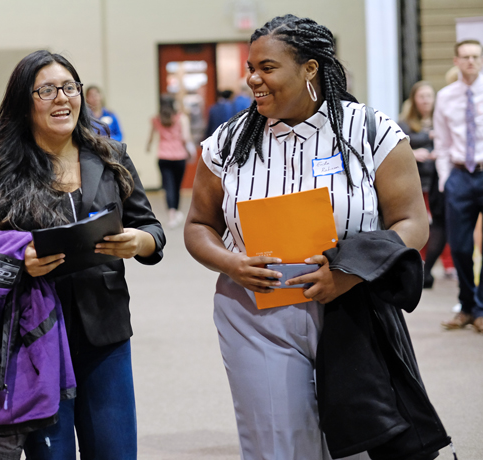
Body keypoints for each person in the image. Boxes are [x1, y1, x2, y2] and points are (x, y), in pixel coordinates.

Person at [184, 15, 430, 459]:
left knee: (358, 439)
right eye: (250, 67)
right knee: (280, 444)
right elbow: (199, 225)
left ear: (310, 68)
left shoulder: (369, 132)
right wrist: (231, 264)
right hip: (256, 311)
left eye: (268, 67)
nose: (253, 79)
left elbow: (413, 222)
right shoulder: (228, 141)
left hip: (353, 306)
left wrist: (352, 274)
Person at [0, 50, 165, 459]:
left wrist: (139, 242)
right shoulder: (1, 166)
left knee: (117, 451)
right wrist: (19, 262)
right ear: (25, 101)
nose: (62, 98)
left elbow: (152, 229)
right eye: (47, 90)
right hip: (36, 340)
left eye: (70, 88)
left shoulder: (110, 155)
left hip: (105, 331)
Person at [434, 39, 483, 332]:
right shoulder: (445, 96)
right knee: (462, 247)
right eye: (465, 57)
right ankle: (468, 306)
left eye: (476, 56)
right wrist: (444, 179)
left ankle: (476, 308)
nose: (471, 62)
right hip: (458, 176)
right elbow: (441, 140)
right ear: (456, 61)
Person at [399, 81, 453, 288]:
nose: (426, 101)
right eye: (421, 97)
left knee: (441, 224)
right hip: (416, 182)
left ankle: (446, 265)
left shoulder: (442, 120)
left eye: (429, 96)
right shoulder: (404, 124)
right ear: (414, 100)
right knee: (420, 224)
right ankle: (417, 264)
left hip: (438, 181)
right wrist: (413, 153)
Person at [146, 94, 193, 229]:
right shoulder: (181, 118)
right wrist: (190, 151)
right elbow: (185, 137)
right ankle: (176, 211)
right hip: (179, 156)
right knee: (177, 186)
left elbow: (151, 137)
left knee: (168, 186)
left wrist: (148, 147)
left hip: (163, 156)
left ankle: (172, 214)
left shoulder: (156, 119)